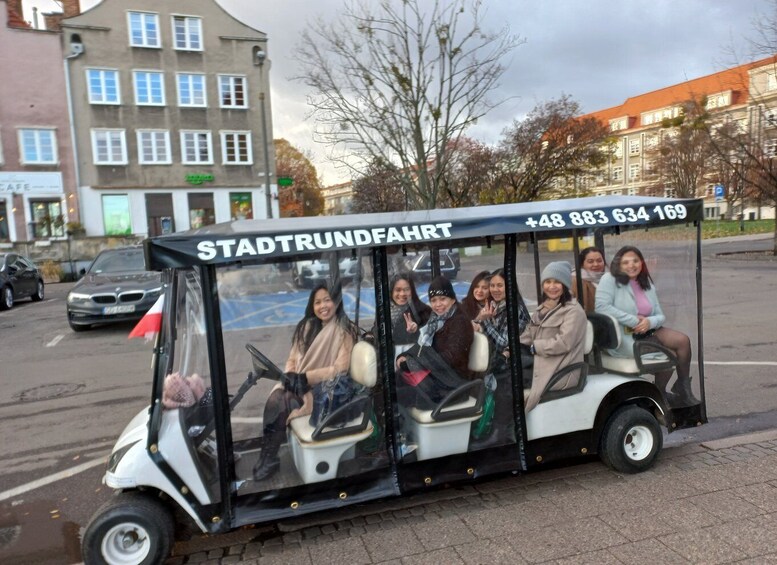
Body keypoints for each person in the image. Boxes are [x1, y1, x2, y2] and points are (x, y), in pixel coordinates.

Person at [253, 281, 358, 481]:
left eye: (327, 300)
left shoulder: (345, 330)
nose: (323, 306)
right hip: (297, 383)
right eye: (318, 302)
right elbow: (292, 359)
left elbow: (340, 369)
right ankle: (268, 455)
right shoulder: (306, 327)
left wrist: (306, 377)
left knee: (282, 402)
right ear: (312, 305)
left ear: (336, 302)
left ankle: (269, 457)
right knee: (276, 397)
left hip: (320, 391)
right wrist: (291, 375)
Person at [595, 246, 699, 406]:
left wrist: (649, 322)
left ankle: (683, 388)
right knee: (670, 354)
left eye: (635, 261)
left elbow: (659, 314)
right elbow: (601, 307)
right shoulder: (609, 279)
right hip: (625, 336)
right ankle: (659, 392)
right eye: (626, 262)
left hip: (648, 331)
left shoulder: (644, 281)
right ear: (618, 264)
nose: (632, 265)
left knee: (683, 341)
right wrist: (634, 321)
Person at [395, 276, 474, 410]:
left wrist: (415, 362)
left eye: (443, 299)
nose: (438, 304)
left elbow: (451, 357)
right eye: (434, 300)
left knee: (396, 395)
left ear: (453, 299)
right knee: (393, 384)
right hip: (438, 378)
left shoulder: (460, 322)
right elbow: (423, 346)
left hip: (452, 385)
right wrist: (405, 355)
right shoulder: (435, 321)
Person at [520, 261, 588, 412]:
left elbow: (564, 343)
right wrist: (512, 347)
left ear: (565, 285)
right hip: (544, 361)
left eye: (557, 282)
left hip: (560, 369)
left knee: (509, 379)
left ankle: (510, 429)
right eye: (548, 282)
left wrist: (534, 347)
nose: (552, 286)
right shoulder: (544, 308)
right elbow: (529, 334)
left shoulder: (574, 311)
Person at [473, 268, 530, 443]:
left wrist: (485, 323)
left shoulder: (516, 309)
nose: (495, 289)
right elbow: (476, 329)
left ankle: (500, 432)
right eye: (492, 286)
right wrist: (479, 320)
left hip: (516, 362)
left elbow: (505, 341)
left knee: (505, 383)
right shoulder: (494, 307)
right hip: (497, 360)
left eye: (500, 285)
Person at [370, 273, 431, 356]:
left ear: (412, 290)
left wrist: (417, 330)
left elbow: (431, 335)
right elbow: (376, 329)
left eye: (406, 289)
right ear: (391, 292)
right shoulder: (383, 310)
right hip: (387, 358)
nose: (402, 294)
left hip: (412, 357)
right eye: (398, 290)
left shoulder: (423, 310)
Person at [571, 246, 607, 313]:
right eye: (590, 262)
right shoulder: (576, 280)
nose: (596, 264)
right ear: (582, 264)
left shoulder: (608, 278)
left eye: (599, 261)